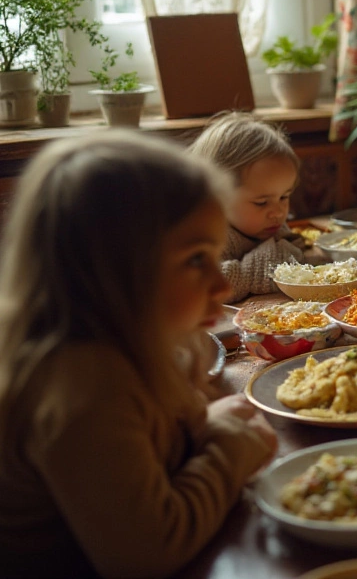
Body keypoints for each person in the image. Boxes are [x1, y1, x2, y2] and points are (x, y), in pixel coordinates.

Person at [0, 132, 278, 578]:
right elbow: (147, 553)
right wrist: (230, 448)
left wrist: (205, 423)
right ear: (108, 272)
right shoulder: (81, 384)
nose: (223, 286)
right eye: (195, 260)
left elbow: (158, 438)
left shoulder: (143, 338)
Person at [189, 112, 311, 301]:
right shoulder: (207, 237)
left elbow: (295, 252)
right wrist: (254, 271)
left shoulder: (270, 225)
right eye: (261, 202)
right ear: (217, 197)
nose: (278, 212)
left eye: (284, 197)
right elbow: (203, 285)